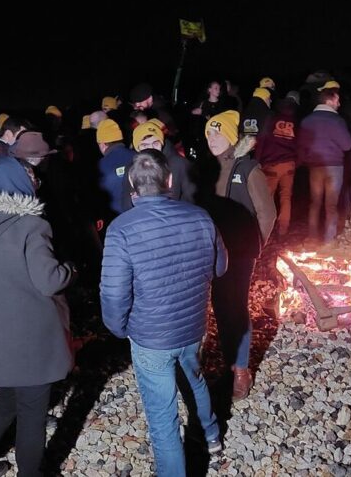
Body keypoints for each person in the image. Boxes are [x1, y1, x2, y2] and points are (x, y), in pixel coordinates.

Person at [101, 150, 226, 476]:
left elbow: (114, 295)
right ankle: (212, 435)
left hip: (151, 336)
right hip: (192, 326)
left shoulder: (121, 229)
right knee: (195, 377)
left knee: (163, 419)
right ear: (170, 180)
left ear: (131, 183)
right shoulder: (200, 217)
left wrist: (119, 328)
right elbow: (221, 266)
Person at [0, 150, 77, 477]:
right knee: (32, 415)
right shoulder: (30, 227)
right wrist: (70, 269)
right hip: (32, 340)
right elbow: (49, 280)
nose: (36, 185)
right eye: (32, 179)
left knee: (6, 403)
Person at [204, 110, 275, 400]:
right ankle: (230, 362)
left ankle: (242, 370)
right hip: (214, 252)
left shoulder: (248, 169)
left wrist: (254, 246)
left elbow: (267, 213)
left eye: (217, 132)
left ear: (232, 136)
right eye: (208, 132)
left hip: (240, 253)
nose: (211, 138)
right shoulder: (207, 169)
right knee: (220, 307)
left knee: (237, 306)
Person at [298, 80, 351, 244]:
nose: (339, 103)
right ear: (328, 101)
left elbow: (301, 146)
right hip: (334, 167)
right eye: (337, 100)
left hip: (315, 167)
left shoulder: (307, 121)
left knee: (315, 202)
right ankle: (329, 240)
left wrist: (307, 160)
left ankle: (312, 237)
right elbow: (348, 145)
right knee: (331, 205)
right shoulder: (337, 121)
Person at [120, 120, 196, 211]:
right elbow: (126, 203)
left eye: (155, 143)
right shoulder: (132, 168)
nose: (151, 148)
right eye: (145, 145)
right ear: (137, 148)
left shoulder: (179, 164)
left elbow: (191, 198)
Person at [256, 95, 299, 237]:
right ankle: (283, 229)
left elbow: (262, 139)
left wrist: (258, 160)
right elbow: (300, 144)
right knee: (286, 196)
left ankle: (265, 229)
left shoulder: (271, 119)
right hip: (289, 164)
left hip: (272, 164)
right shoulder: (296, 122)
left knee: (267, 197)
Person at [95, 119, 136, 220]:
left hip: (115, 218)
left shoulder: (100, 166)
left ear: (102, 144)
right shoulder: (137, 156)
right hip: (139, 214)